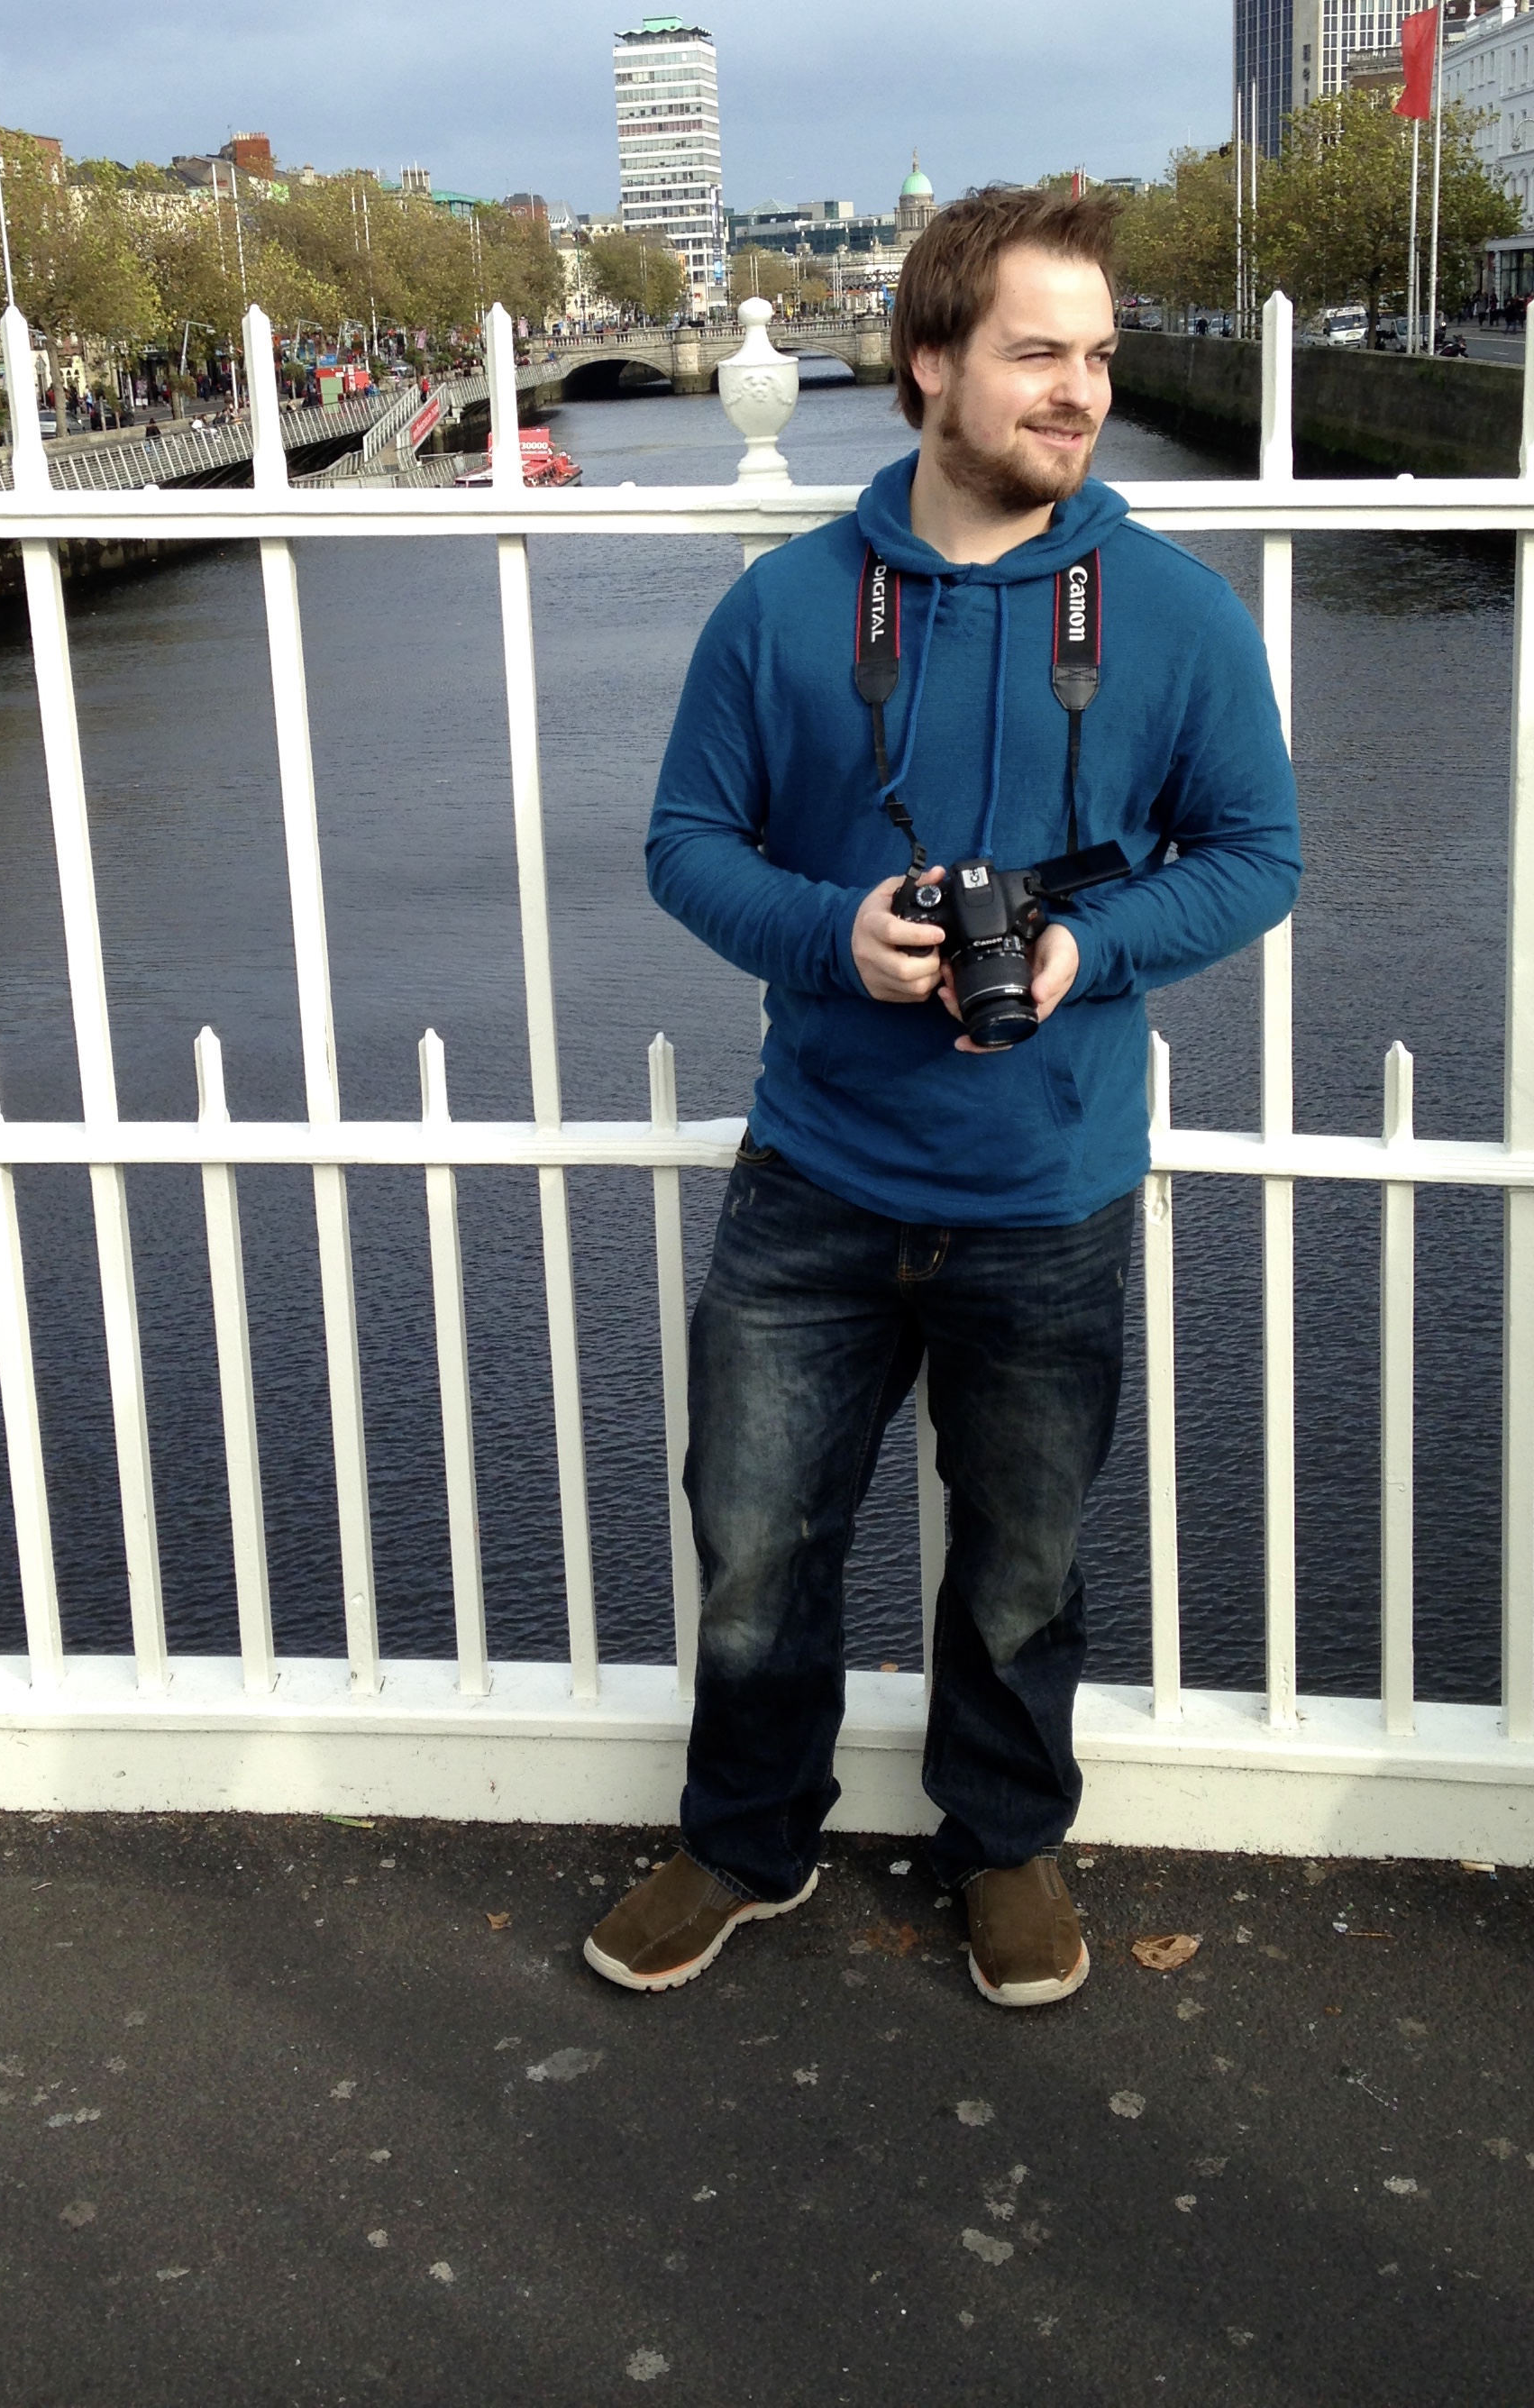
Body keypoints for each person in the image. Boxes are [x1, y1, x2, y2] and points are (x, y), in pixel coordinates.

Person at [586, 187, 1300, 2010]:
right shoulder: (784, 612)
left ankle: (1004, 1842)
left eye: (1100, 356)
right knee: (755, 1545)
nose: (1082, 392)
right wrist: (842, 934)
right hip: (816, 1177)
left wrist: (1088, 950)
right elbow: (685, 849)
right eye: (1039, 353)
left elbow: (1256, 858)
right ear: (926, 365)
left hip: (1050, 1187)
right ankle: (747, 1842)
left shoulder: (1172, 615)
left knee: (1022, 1565)